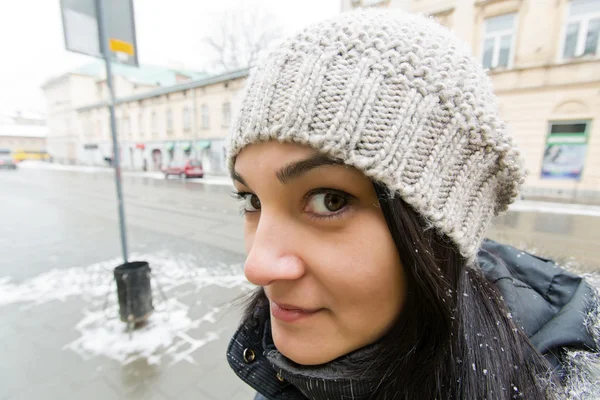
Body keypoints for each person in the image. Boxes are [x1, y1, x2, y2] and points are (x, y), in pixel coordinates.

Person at [225, 10, 600, 400]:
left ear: (437, 236)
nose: (257, 267)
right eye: (252, 200)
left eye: (329, 200)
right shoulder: (280, 371)